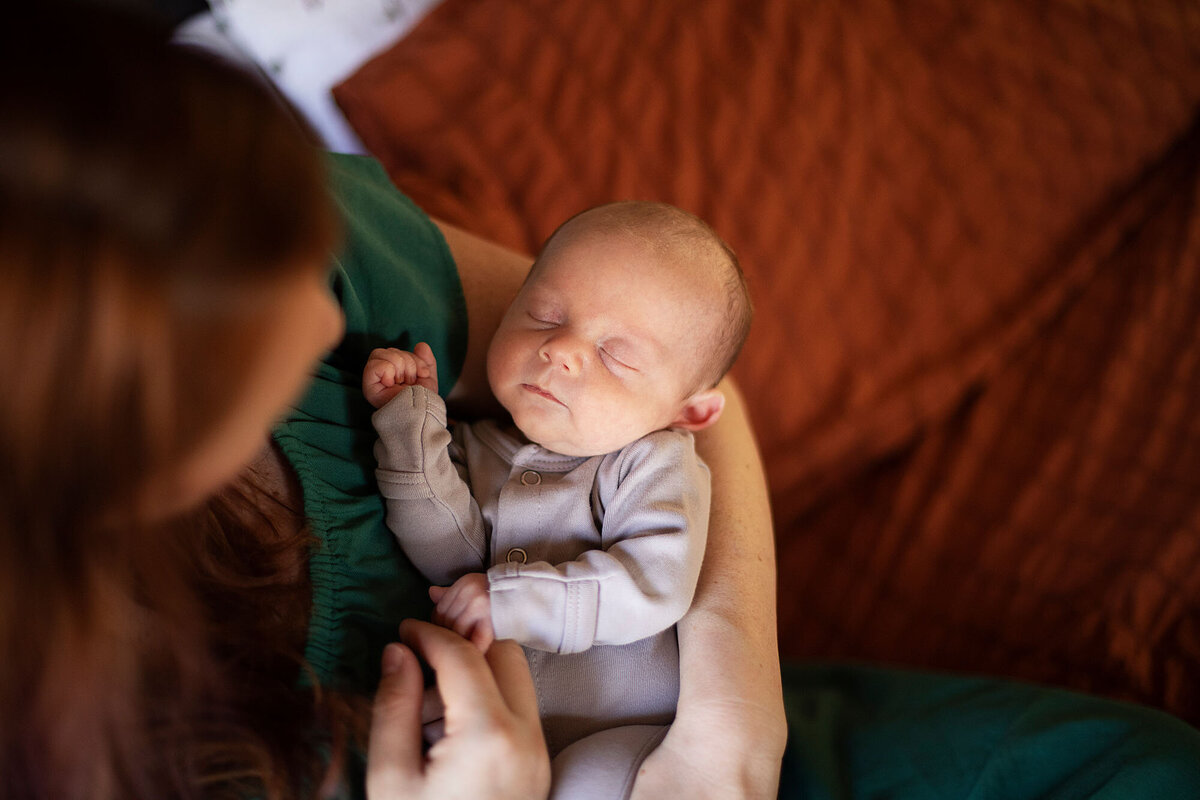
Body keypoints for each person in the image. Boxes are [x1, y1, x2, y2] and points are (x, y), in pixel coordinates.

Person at [0, 4, 787, 800]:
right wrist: (412, 436)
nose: (327, 315)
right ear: (128, 454)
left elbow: (693, 391)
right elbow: (450, 530)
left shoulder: (205, 200)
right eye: (271, 307)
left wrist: (737, 732)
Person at [362, 202, 752, 797]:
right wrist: (409, 421)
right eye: (542, 315)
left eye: (616, 354)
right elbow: (448, 554)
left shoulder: (652, 461)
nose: (560, 349)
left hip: (624, 734)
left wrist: (513, 603)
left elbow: (654, 583)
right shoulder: (477, 443)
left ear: (689, 413)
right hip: (494, 736)